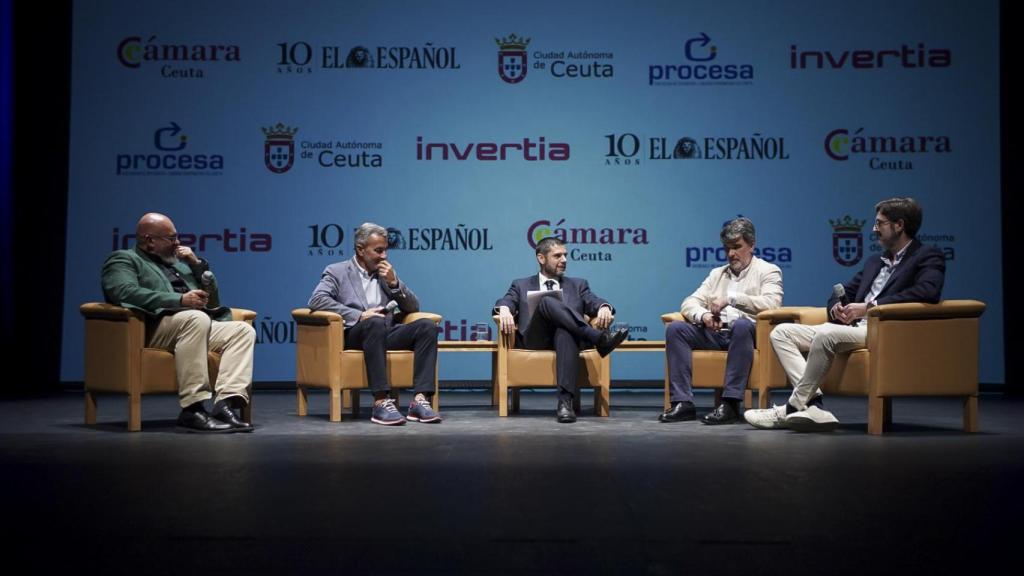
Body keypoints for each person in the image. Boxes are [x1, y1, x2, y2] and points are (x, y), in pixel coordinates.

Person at [744, 197, 945, 432]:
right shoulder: (874, 262)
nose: (874, 229)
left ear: (899, 225)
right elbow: (843, 292)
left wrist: (871, 306)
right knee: (782, 332)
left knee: (826, 334)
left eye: (880, 223)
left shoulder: (927, 256)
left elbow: (928, 291)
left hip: (886, 330)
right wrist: (837, 309)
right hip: (852, 328)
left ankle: (790, 408)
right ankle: (812, 406)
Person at [101, 213, 255, 433]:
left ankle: (225, 404)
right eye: (171, 238)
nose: (177, 243)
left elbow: (214, 302)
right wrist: (179, 300)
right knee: (196, 317)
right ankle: (193, 410)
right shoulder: (124, 259)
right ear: (149, 240)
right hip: (152, 326)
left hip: (192, 325)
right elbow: (122, 292)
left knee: (242, 331)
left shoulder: (182, 266)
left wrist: (197, 265)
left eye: (177, 237)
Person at [308, 222, 441, 426]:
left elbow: (413, 307)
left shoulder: (385, 274)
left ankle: (420, 401)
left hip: (386, 333)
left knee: (427, 327)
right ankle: (381, 401)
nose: (384, 256)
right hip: (356, 334)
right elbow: (317, 300)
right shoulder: (337, 271)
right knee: (374, 322)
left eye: (386, 250)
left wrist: (395, 283)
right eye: (378, 251)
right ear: (361, 250)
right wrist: (359, 315)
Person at [660, 217, 783, 424]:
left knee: (741, 325)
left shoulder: (768, 270)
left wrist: (732, 299)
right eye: (727, 248)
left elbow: (772, 304)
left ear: (752, 245)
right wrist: (705, 315)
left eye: (737, 247)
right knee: (676, 329)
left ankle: (731, 403)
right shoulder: (717, 274)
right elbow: (689, 302)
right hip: (717, 334)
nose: (731, 254)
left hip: (749, 335)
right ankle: (683, 403)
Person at [494, 237, 629, 423]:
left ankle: (565, 404)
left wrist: (603, 307)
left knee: (565, 332)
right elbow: (506, 300)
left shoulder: (578, 284)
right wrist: (503, 309)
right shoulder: (521, 284)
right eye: (557, 256)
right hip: (535, 340)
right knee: (548, 301)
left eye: (565, 255)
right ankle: (599, 339)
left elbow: (593, 301)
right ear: (541, 258)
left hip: (569, 340)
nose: (564, 260)